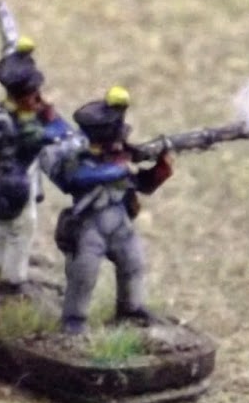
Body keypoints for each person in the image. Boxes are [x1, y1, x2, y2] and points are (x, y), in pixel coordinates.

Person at [41, 87, 173, 334]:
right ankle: (74, 320)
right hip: (90, 226)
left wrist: (161, 169)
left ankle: (131, 309)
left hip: (120, 223)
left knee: (134, 264)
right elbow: (75, 179)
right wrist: (118, 169)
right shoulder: (79, 161)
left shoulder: (120, 157)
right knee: (84, 275)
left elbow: (142, 184)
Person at [0, 39, 73, 292]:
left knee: (2, 225)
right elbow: (61, 135)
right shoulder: (26, 127)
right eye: (34, 93)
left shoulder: (0, 113)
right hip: (15, 182)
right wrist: (50, 116)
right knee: (22, 229)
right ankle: (13, 281)